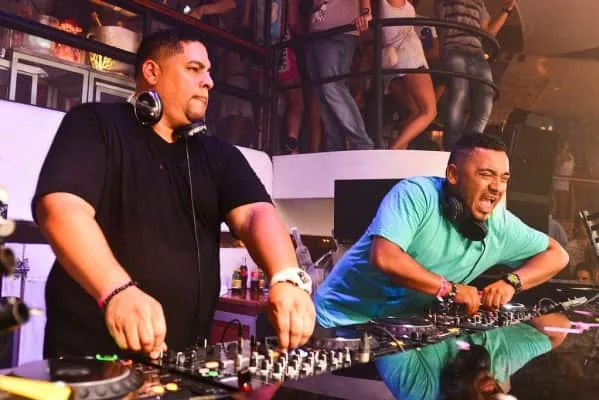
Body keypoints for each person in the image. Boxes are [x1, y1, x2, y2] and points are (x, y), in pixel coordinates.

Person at [33, 29, 315, 359]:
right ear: (152, 72)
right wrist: (116, 290)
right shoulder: (94, 123)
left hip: (178, 364)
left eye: (209, 72)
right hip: (87, 359)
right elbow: (62, 208)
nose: (208, 81)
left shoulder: (219, 154)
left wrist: (286, 277)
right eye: (194, 69)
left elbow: (256, 214)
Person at [314, 133, 569, 328]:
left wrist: (511, 283)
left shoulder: (501, 225)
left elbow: (557, 254)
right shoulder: (416, 194)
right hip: (335, 321)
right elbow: (385, 256)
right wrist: (451, 289)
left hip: (397, 331)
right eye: (486, 174)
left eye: (504, 178)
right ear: (453, 175)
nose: (497, 187)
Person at [375, 312, 570, 400]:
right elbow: (558, 331)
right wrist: (509, 303)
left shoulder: (419, 389)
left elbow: (383, 322)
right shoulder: (502, 363)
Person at [434, 0, 516, 150]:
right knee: (459, 93)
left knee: (485, 100)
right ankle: (452, 149)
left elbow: (488, 33)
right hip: (454, 48)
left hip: (477, 54)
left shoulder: (479, 3)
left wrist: (507, 9)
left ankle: (467, 147)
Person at [306, 0, 375, 151]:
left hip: (339, 33)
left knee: (332, 87)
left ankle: (362, 144)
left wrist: (366, 13)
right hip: (315, 35)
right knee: (321, 93)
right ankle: (336, 146)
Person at [380, 0, 437, 150]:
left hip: (396, 62)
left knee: (416, 112)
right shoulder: (392, 3)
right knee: (429, 111)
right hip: (410, 59)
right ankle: (395, 149)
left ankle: (400, 148)